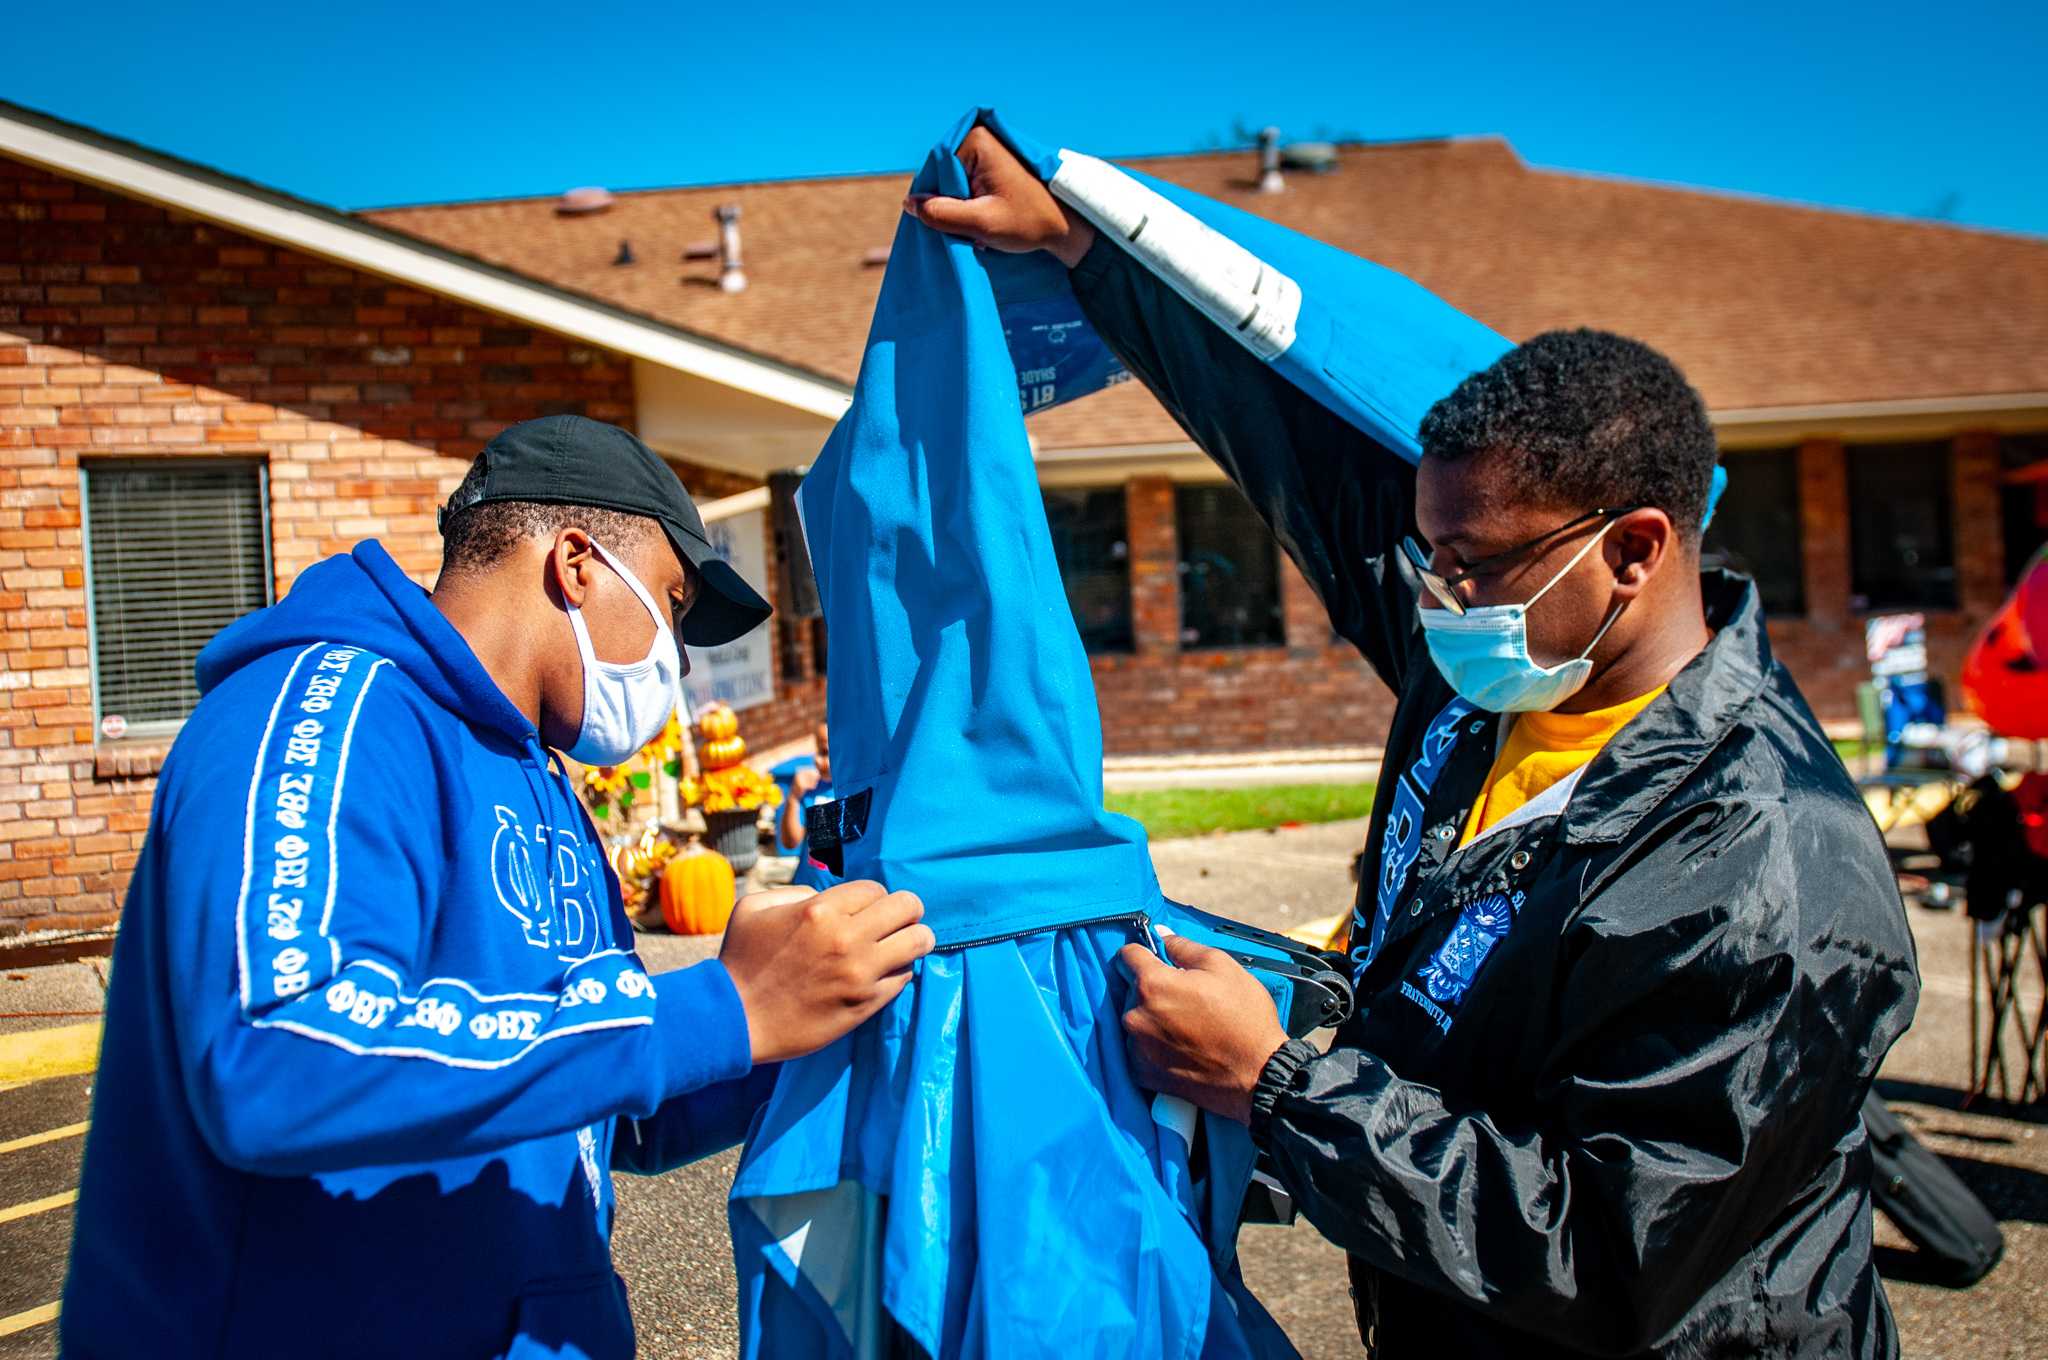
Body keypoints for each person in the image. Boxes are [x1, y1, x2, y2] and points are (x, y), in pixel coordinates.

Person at [911, 131, 1921, 1358]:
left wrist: (1278, 1085)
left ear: (1637, 548)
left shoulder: (1766, 868)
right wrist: (1086, 246)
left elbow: (1609, 1253)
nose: (1441, 599)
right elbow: (1293, 441)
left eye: (1478, 564)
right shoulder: (1487, 680)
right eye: (1430, 560)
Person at [62, 416, 935, 1357]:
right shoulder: (323, 713)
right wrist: (721, 1012)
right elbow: (279, 1052)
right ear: (576, 564)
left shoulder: (546, 783)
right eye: (674, 609)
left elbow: (604, 1105)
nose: (677, 666)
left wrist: (791, 1022)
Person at [776, 721, 834, 856]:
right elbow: (790, 842)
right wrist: (793, 797)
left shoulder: (854, 791)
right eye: (817, 750)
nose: (817, 760)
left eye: (824, 752)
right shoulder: (810, 789)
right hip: (808, 877)